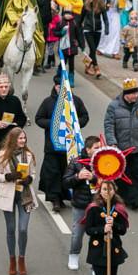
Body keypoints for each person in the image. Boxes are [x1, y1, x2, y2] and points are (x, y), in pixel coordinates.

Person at [35, 73, 89, 212]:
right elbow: (39, 119)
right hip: (53, 146)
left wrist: (74, 123)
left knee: (67, 172)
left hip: (70, 148)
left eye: (64, 87)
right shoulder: (48, 102)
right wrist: (54, 124)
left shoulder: (76, 101)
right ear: (55, 87)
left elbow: (84, 117)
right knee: (53, 173)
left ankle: (67, 196)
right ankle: (55, 199)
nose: (61, 89)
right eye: (59, 87)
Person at [83, 180, 129, 275]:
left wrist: (114, 224)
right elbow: (88, 229)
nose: (106, 192)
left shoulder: (119, 209)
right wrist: (102, 229)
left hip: (114, 250)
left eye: (109, 189)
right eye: (104, 189)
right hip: (98, 251)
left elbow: (123, 230)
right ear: (99, 190)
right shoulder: (93, 208)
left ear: (114, 190)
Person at [0, 127, 37, 275]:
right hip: (9, 195)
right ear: (13, 140)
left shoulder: (29, 155)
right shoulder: (3, 155)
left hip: (25, 196)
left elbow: (33, 173)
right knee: (11, 229)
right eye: (20, 139)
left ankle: (22, 259)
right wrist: (8, 177)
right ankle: (12, 259)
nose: (23, 141)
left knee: (23, 229)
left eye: (24, 138)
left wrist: (29, 179)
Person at [103, 78, 138, 209]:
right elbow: (109, 125)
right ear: (126, 94)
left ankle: (137, 198)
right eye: (133, 93)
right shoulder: (114, 106)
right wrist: (112, 143)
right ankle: (123, 197)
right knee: (122, 175)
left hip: (137, 148)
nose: (135, 96)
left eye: (136, 93)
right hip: (121, 149)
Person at [62, 136, 101, 271]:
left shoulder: (104, 161)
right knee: (78, 234)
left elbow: (110, 181)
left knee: (97, 236)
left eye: (100, 147)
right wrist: (77, 177)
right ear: (88, 150)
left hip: (97, 205)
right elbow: (66, 181)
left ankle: (95, 266)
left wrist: (94, 178)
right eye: (96, 148)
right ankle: (74, 254)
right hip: (81, 204)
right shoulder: (76, 162)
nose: (99, 150)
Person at [80, 0, 108, 78]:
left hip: (98, 30)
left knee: (93, 51)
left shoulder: (100, 5)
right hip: (88, 30)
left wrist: (107, 28)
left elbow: (105, 18)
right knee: (92, 49)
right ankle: (96, 68)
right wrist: (78, 30)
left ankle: (87, 66)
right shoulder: (86, 5)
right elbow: (81, 18)